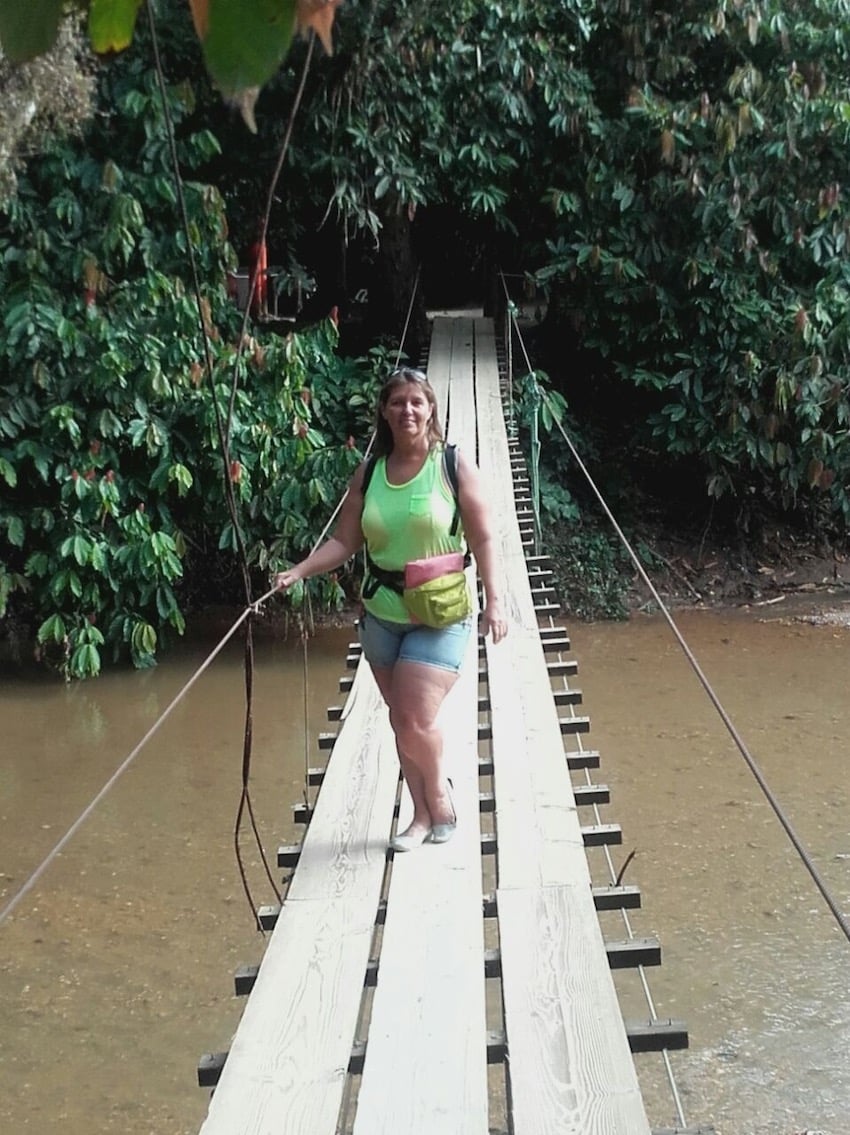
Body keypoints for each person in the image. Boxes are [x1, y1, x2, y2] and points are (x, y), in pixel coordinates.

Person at [274, 366, 507, 851]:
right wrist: (300, 570)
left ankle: (439, 796)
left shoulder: (453, 465)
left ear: (431, 409)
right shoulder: (370, 472)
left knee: (414, 719)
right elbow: (345, 541)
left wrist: (496, 601)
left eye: (416, 402)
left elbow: (484, 537)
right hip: (381, 615)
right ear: (384, 410)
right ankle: (420, 816)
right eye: (397, 402)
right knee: (401, 720)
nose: (407, 411)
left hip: (439, 614)